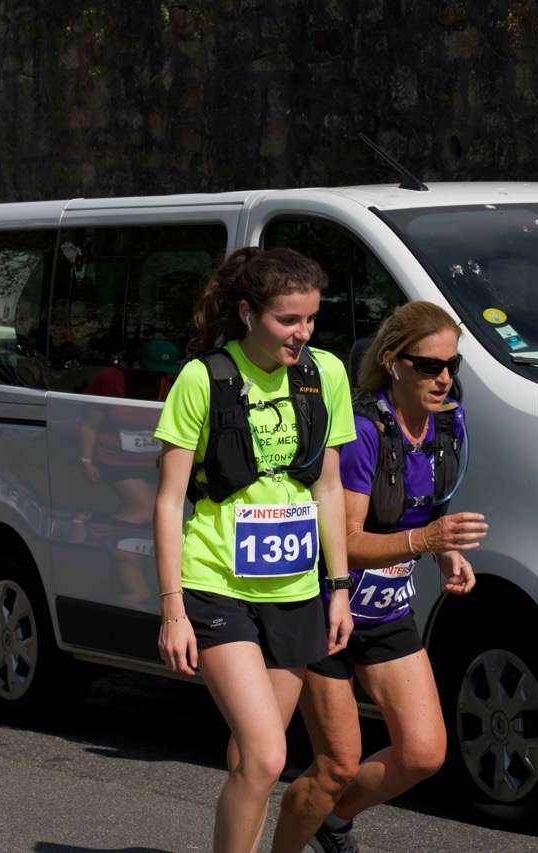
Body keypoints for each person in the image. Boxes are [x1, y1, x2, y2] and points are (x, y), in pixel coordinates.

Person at [153, 247, 356, 853]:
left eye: (311, 319)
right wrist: (172, 609)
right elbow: (168, 501)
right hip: (216, 582)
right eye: (287, 320)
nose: (303, 333)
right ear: (248, 312)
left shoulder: (325, 374)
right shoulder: (204, 377)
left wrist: (339, 587)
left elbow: (328, 487)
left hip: (294, 587)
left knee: (250, 758)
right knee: (268, 755)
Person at [274, 301, 488, 853]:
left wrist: (445, 552)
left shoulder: (449, 423)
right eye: (429, 366)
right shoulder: (364, 430)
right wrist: (426, 542)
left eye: (452, 366)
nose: (444, 379)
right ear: (392, 361)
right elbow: (343, 541)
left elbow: (428, 506)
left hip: (387, 609)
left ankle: (330, 823)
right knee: (336, 764)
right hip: (329, 610)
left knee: (423, 753)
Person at [77, 339, 180, 602]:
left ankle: (123, 582)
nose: (157, 376)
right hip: (114, 459)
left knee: (154, 519)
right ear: (138, 363)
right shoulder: (111, 380)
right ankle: (95, 525)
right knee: (146, 508)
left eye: (163, 371)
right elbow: (89, 422)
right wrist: (85, 460)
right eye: (152, 369)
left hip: (152, 464)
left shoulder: (170, 385)